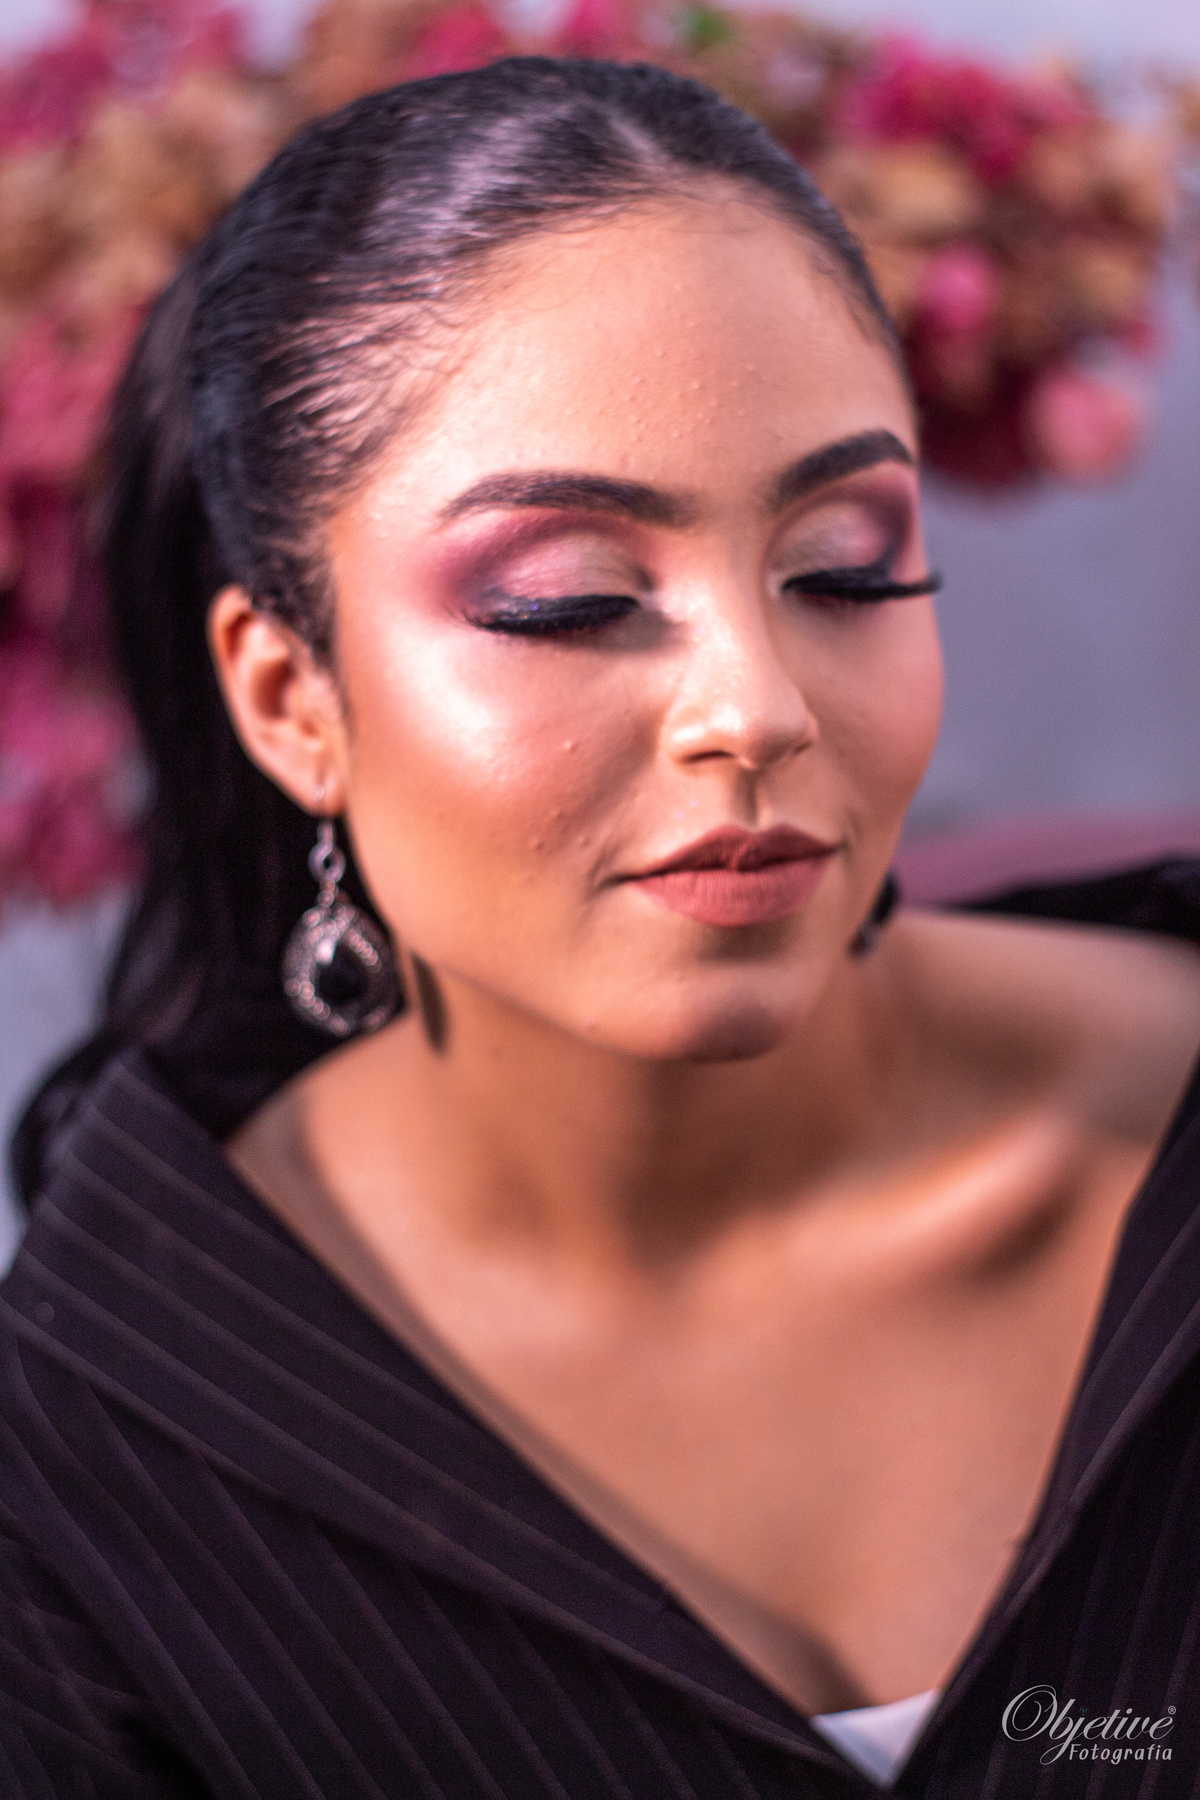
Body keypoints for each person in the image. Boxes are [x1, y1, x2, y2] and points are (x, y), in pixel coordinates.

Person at [2, 55, 1200, 1800]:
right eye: (566, 602)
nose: (758, 707)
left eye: (845, 565)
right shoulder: (83, 1465)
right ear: (290, 699)